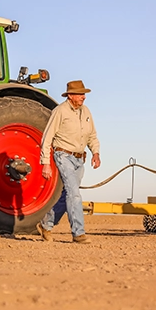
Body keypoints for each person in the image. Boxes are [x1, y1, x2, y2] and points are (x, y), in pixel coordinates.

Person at [37, 80, 101, 244]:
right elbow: (47, 137)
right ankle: (78, 233)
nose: (84, 97)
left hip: (80, 159)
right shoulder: (60, 111)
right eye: (80, 94)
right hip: (63, 155)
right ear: (71, 96)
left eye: (84, 94)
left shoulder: (86, 112)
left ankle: (46, 224)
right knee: (74, 194)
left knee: (68, 195)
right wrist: (45, 162)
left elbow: (92, 135)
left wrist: (96, 153)